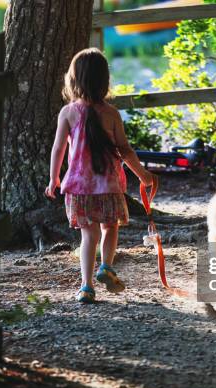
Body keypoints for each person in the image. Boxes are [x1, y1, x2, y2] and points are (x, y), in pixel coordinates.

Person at [45, 48, 155, 304]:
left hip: (79, 188)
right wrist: (142, 175)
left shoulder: (68, 113)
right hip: (109, 186)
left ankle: (86, 286)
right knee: (110, 227)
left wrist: (54, 178)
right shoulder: (112, 114)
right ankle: (106, 266)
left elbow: (58, 148)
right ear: (105, 81)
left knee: (88, 235)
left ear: (74, 80)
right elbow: (124, 150)